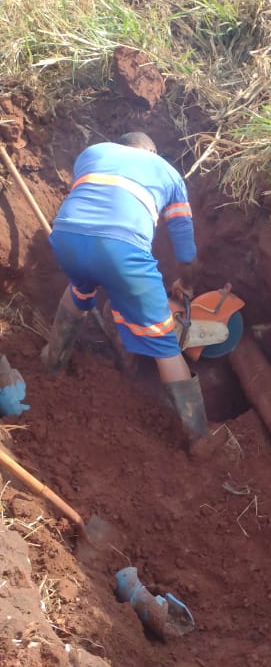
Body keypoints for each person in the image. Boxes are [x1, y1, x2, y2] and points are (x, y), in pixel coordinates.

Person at [44, 131, 214, 451]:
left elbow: (92, 208)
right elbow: (186, 255)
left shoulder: (92, 153)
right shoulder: (167, 172)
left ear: (121, 146)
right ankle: (200, 440)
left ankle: (53, 363)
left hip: (65, 237)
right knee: (165, 346)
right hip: (121, 250)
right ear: (151, 150)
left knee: (81, 289)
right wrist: (187, 284)